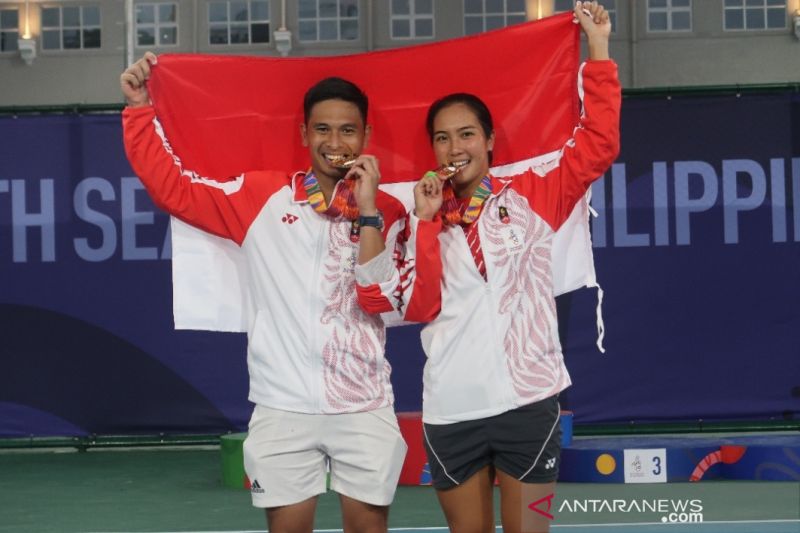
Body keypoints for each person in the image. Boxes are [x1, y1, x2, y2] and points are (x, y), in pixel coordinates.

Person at [120, 54, 408, 533]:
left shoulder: (389, 209)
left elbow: (378, 295)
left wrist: (369, 209)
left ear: (365, 136)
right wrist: (138, 109)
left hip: (364, 404)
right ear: (303, 135)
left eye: (347, 131)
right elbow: (173, 189)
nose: (334, 143)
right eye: (322, 130)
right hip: (282, 404)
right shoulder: (262, 199)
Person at [405, 2, 620, 532]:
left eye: (466, 134)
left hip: (528, 405)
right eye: (442, 137)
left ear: (489, 141)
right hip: (452, 410)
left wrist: (598, 50)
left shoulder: (533, 198)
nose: (456, 147)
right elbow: (422, 301)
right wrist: (427, 223)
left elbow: (598, 145)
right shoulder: (420, 219)